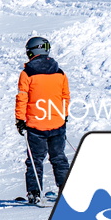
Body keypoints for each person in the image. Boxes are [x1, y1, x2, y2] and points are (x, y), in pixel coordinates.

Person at [16, 36, 70, 204]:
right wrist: (64, 115)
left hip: (35, 125)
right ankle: (65, 189)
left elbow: (22, 98)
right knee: (59, 158)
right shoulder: (60, 73)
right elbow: (65, 97)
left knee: (34, 160)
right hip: (57, 123)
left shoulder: (27, 74)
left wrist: (20, 119)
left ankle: (34, 193)